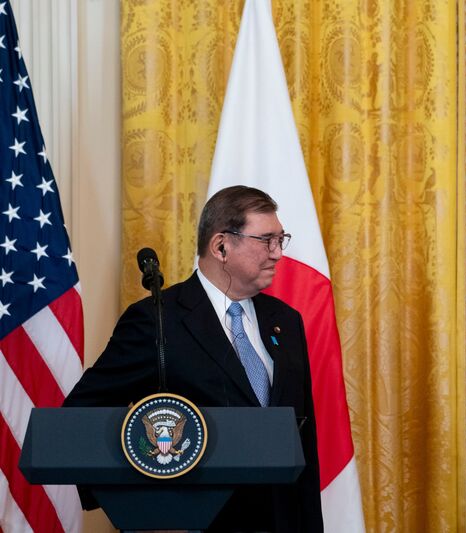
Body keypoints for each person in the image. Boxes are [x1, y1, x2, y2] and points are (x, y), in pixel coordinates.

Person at [63, 186, 323, 532]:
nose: (277, 254)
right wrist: (141, 501)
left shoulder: (285, 321)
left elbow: (303, 438)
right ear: (221, 246)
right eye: (267, 240)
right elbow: (82, 414)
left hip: (282, 519)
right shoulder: (157, 319)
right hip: (196, 522)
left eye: (281, 240)